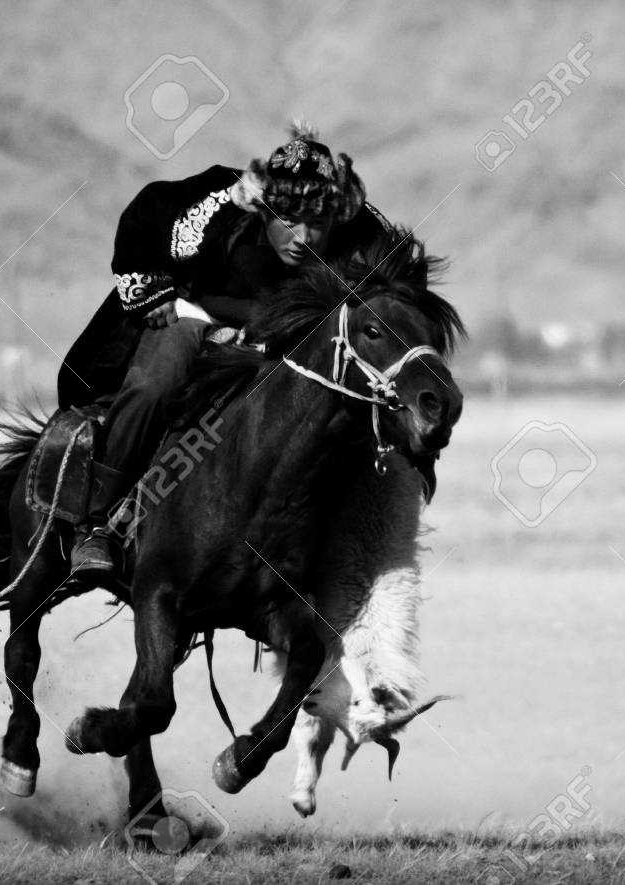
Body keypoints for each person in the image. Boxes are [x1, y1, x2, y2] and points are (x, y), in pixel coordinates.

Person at [60, 122, 391, 584]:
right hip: (198, 310)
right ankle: (94, 523)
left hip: (286, 335)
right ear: (263, 211)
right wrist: (149, 291)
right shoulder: (220, 200)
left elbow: (397, 278)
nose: (303, 238)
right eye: (289, 223)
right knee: (157, 384)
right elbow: (143, 217)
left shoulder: (361, 227)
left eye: (317, 225)